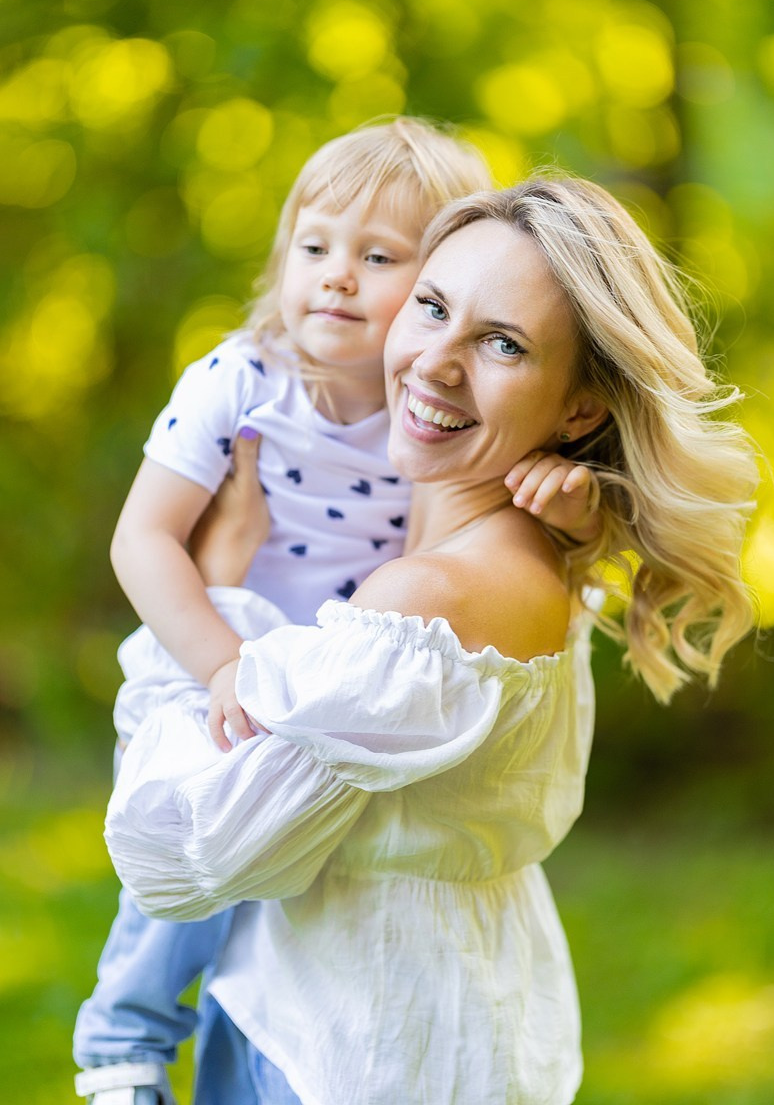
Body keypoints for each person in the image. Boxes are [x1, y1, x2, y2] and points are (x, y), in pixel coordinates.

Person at [105, 174, 758, 1104]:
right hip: (405, 1020)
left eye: (501, 343)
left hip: (350, 1050)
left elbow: (185, 855)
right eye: (431, 306)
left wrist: (219, 590)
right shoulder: (528, 545)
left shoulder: (432, 598)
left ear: (580, 409)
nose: (434, 364)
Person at [74, 122, 600, 1105]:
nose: (336, 279)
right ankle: (125, 1040)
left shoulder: (431, 432)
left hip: (311, 713)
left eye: (379, 260)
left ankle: (128, 1036)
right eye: (313, 248)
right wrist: (220, 650)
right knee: (176, 906)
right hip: (218, 658)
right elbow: (141, 539)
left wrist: (573, 508)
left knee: (212, 867)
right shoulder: (244, 383)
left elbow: (469, 546)